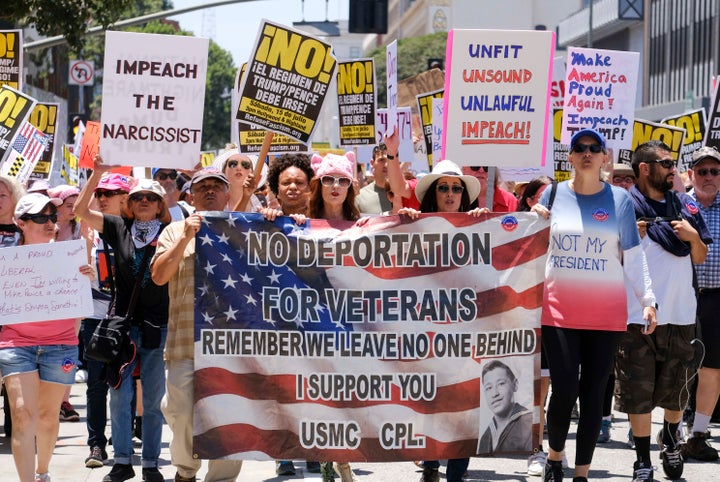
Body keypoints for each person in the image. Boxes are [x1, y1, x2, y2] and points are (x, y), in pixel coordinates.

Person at [532, 128, 657, 482]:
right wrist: (532, 222)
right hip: (559, 312)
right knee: (564, 389)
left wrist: (648, 300)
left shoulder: (620, 200)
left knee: (592, 395)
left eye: (594, 148)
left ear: (605, 157)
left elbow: (633, 257)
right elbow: (526, 246)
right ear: (569, 157)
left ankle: (581, 474)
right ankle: (555, 457)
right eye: (579, 148)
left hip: (606, 316)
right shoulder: (552, 195)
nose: (587, 153)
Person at [614, 140, 710, 481]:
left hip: (681, 314)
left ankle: (670, 437)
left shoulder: (685, 205)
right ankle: (642, 460)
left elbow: (699, 257)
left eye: (673, 164)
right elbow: (606, 259)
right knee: (638, 393)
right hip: (637, 315)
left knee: (677, 389)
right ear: (645, 168)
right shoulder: (623, 207)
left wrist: (692, 237)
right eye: (666, 164)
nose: (673, 169)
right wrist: (625, 239)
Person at [75, 157, 171, 482]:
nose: (144, 202)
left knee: (155, 401)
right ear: (129, 204)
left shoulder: (174, 232)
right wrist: (98, 174)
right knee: (120, 394)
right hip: (123, 328)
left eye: (152, 198)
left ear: (160, 206)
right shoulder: (119, 227)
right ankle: (122, 462)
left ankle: (152, 464)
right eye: (138, 198)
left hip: (158, 327)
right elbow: (80, 211)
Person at [151, 167, 243, 482]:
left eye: (217, 186)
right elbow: (160, 276)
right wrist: (187, 237)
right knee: (178, 412)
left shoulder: (244, 231)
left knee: (230, 416)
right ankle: (185, 472)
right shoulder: (173, 231)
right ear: (190, 195)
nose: (209, 192)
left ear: (228, 194)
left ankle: (222, 478)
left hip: (232, 346)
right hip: (184, 342)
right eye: (202, 187)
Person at [397, 159, 485, 482]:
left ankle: (457, 473)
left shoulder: (479, 225)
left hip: (465, 332)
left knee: (463, 400)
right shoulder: (415, 224)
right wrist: (402, 222)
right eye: (444, 188)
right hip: (425, 330)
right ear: (434, 194)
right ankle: (431, 466)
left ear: (464, 194)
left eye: (456, 188)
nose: (450, 193)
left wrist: (485, 224)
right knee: (430, 399)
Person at [0, 192, 93, 482]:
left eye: (53, 217)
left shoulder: (72, 255)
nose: (50, 223)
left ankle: (42, 471)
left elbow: (83, 302)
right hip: (16, 343)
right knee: (22, 415)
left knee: (47, 416)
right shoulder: (6, 260)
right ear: (21, 223)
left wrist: (87, 278)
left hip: (60, 345)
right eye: (41, 218)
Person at [307, 152, 359, 482]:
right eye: (329, 179)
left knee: (345, 397)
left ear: (351, 186)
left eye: (342, 180)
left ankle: (342, 461)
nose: (335, 186)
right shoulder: (301, 222)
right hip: (312, 321)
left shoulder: (364, 225)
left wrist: (407, 217)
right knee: (322, 398)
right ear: (319, 184)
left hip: (351, 322)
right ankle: (333, 464)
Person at [80, 172, 132, 468]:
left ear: (125, 198)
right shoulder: (88, 231)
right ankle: (97, 445)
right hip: (97, 317)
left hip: (127, 318)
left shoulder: (135, 230)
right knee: (97, 384)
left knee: (127, 382)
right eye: (99, 193)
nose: (102, 198)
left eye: (109, 194)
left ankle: (126, 440)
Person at [682, 145, 720, 462]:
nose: (708, 176)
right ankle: (674, 427)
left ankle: (698, 434)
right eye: (702, 171)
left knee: (712, 368)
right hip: (682, 295)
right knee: (680, 365)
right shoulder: (679, 206)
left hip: (718, 297)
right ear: (691, 174)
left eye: (715, 171)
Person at [47, 184, 84, 422]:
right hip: (47, 299)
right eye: (68, 205)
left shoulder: (82, 229)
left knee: (70, 347)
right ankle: (50, 397)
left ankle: (65, 400)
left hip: (74, 297)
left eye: (76, 206)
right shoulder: (44, 230)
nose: (73, 210)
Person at [477, 360, 533, 453]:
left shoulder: (528, 424)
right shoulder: (486, 435)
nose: (495, 393)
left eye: (501, 384)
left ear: (515, 384)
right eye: (489, 388)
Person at [212, 144, 267, 212]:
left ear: (252, 172)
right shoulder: (213, 199)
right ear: (224, 171)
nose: (239, 168)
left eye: (245, 165)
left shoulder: (261, 200)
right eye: (233, 164)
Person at [355, 143, 393, 214]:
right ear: (372, 163)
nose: (386, 165)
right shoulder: (360, 197)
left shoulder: (404, 194)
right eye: (382, 160)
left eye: (390, 160)